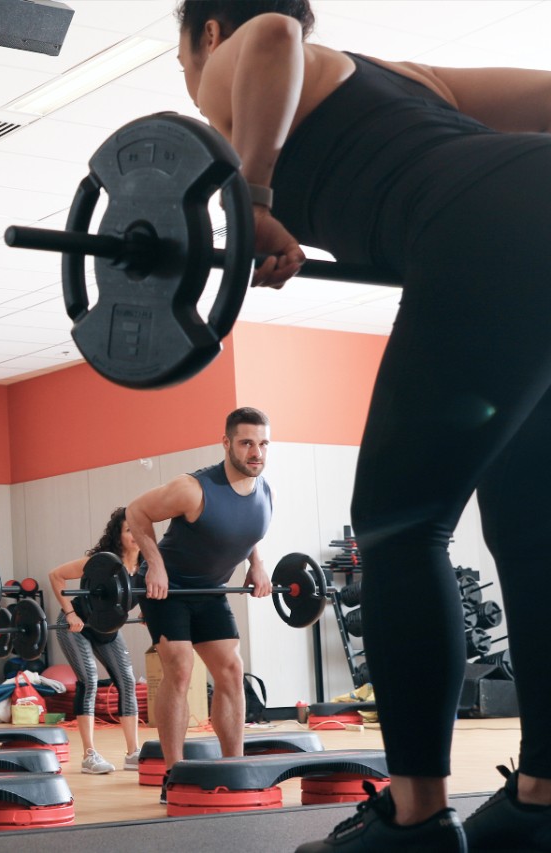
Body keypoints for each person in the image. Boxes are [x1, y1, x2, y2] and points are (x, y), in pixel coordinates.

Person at [174, 2, 551, 849]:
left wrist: (252, 194)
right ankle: (540, 802)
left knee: (400, 526)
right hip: (532, 203)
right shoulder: (408, 80)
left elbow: (271, 32)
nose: (198, 90)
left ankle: (414, 819)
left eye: (185, 61)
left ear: (204, 33)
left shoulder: (243, 54)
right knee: (533, 537)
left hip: (484, 231)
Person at [126, 407, 272, 800]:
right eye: (246, 443)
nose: (255, 452)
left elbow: (246, 530)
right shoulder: (193, 488)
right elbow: (136, 512)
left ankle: (234, 768)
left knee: (230, 669)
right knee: (180, 667)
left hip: (209, 590)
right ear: (226, 443)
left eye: (261, 444)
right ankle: (174, 776)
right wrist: (153, 565)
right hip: (167, 590)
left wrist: (257, 565)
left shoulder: (263, 491)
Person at [48, 507, 141, 775]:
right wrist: (70, 613)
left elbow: (146, 592)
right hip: (77, 626)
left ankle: (133, 752)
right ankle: (90, 755)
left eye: (138, 529)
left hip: (108, 628)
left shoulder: (146, 563)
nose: (134, 535)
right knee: (89, 680)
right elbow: (56, 575)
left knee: (127, 681)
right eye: (128, 530)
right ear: (118, 535)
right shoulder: (103, 562)